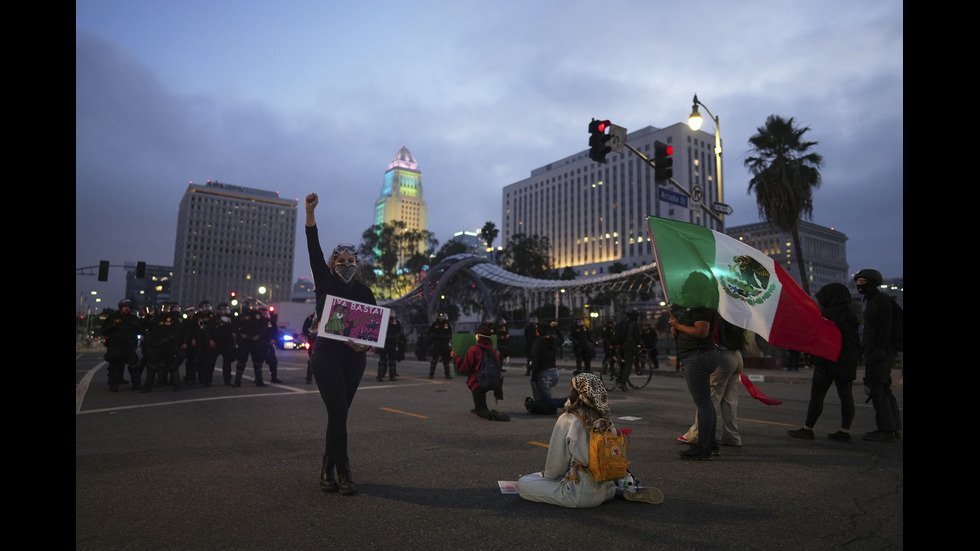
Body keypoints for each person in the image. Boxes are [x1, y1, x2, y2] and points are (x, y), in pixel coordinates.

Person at [305, 192, 377, 495]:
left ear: (356, 264)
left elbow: (372, 331)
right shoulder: (324, 281)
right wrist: (310, 214)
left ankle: (326, 470)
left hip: (353, 359)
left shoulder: (365, 292)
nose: (346, 264)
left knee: (339, 415)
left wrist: (365, 346)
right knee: (338, 414)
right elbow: (312, 246)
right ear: (332, 263)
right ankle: (344, 473)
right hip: (326, 355)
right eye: (340, 260)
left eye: (350, 261)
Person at [517, 372, 662, 507]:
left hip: (581, 493)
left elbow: (555, 467)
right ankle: (621, 488)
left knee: (523, 483)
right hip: (607, 490)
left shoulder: (569, 419)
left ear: (575, 393)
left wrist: (547, 476)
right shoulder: (605, 418)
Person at [788, 282, 860, 442]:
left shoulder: (826, 314)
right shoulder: (850, 315)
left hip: (828, 361)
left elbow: (818, 339)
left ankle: (808, 429)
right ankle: (844, 431)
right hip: (847, 361)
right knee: (846, 395)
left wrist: (815, 359)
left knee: (817, 396)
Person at [669, 272, 720, 460]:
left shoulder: (701, 306)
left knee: (703, 403)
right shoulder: (697, 306)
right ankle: (710, 443)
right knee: (706, 402)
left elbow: (701, 331)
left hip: (698, 356)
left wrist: (679, 326)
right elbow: (692, 331)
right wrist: (677, 330)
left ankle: (703, 446)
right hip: (698, 355)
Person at [679, 318, 745, 447]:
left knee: (709, 400)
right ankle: (732, 436)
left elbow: (706, 335)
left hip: (723, 357)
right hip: (737, 356)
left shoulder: (716, 315)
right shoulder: (734, 313)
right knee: (730, 400)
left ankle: (696, 434)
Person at [853, 269, 902, 442]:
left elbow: (885, 327)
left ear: (873, 282)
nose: (859, 285)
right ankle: (893, 427)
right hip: (876, 351)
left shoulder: (881, 300)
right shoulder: (873, 300)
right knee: (882, 387)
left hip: (881, 351)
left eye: (863, 281)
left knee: (876, 388)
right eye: (857, 282)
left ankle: (886, 429)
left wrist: (879, 351)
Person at [454, 325, 510, 421]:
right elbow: (498, 365)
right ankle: (479, 406)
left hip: (478, 382)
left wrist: (456, 357)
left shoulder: (474, 349)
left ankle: (490, 413)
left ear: (479, 337)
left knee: (481, 410)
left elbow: (465, 367)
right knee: (480, 399)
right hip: (493, 381)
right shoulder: (492, 350)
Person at [100, 298, 141, 392]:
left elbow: (141, 330)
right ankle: (114, 385)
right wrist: (112, 327)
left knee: (134, 365)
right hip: (116, 346)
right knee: (115, 366)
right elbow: (103, 330)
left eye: (128, 307)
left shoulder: (133, 318)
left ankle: (137, 385)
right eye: (125, 307)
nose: (127, 309)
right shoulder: (113, 317)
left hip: (129, 346)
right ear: (121, 307)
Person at [141, 301, 183, 393]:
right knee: (152, 367)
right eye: (163, 308)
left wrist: (165, 341)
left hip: (169, 347)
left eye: (167, 308)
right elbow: (145, 327)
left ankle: (176, 385)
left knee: (173, 367)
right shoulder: (156, 319)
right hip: (157, 346)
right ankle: (147, 386)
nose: (165, 310)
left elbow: (177, 333)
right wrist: (148, 316)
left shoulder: (174, 320)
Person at [528, 324, 566, 413]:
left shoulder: (538, 344)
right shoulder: (554, 341)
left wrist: (533, 378)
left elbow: (536, 363)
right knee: (545, 397)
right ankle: (543, 407)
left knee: (546, 401)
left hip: (544, 375)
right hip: (554, 373)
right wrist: (556, 327)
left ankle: (568, 402)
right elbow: (562, 339)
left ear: (538, 333)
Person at [233, 306, 268, 387]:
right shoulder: (242, 315)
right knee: (241, 362)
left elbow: (264, 327)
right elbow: (234, 326)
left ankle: (259, 380)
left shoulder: (259, 316)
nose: (252, 307)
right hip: (244, 340)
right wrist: (240, 334)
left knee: (257, 362)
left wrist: (259, 335)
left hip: (255, 341)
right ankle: (237, 381)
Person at [204, 302, 237, 386]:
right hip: (215, 343)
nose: (224, 311)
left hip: (227, 343)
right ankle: (208, 380)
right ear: (219, 310)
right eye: (222, 309)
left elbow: (235, 329)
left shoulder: (231, 318)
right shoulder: (213, 319)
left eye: (226, 309)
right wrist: (210, 340)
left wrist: (229, 323)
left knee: (227, 363)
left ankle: (227, 380)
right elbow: (208, 331)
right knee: (210, 363)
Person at [184, 300, 214, 386]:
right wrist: (193, 338)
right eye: (204, 306)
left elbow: (214, 329)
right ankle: (192, 378)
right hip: (199, 339)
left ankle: (206, 379)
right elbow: (192, 328)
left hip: (208, 339)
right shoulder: (197, 316)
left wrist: (212, 339)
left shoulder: (212, 315)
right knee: (196, 360)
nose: (206, 308)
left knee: (207, 361)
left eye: (207, 306)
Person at [615, 309, 643, 392]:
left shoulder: (623, 323)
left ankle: (620, 379)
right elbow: (637, 337)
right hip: (629, 346)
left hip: (622, 345)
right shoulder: (633, 324)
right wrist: (641, 345)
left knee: (622, 364)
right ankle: (622, 383)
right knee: (628, 366)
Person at [377, 313, 405, 381]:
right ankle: (380, 375)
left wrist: (395, 337)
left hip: (392, 343)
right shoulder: (381, 320)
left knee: (392, 360)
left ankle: (392, 375)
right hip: (384, 342)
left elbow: (399, 331)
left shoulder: (395, 321)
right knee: (382, 360)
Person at [427, 313, 453, 379]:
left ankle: (447, 374)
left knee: (446, 360)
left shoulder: (447, 324)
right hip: (437, 344)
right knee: (434, 360)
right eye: (440, 317)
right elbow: (429, 332)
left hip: (444, 344)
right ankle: (431, 374)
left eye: (443, 317)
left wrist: (445, 337)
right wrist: (433, 337)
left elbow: (450, 334)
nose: (441, 318)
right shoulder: (435, 324)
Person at [302, 312, 317, 384]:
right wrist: (309, 334)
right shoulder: (310, 318)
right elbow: (304, 329)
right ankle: (309, 378)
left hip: (322, 342)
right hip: (313, 340)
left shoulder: (325, 317)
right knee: (312, 359)